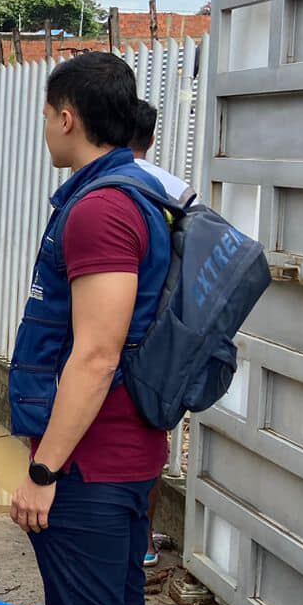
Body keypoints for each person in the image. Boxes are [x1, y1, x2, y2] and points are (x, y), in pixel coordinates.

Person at [4, 53, 173, 605]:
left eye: (46, 115)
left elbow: (97, 353)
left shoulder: (100, 210)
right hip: (124, 454)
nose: (44, 128)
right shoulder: (133, 191)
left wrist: (45, 471)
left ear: (66, 115)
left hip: (92, 466)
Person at [127, 99, 191, 570]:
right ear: (151, 138)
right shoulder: (175, 190)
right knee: (151, 442)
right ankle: (144, 540)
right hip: (163, 338)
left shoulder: (101, 187)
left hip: (119, 336)